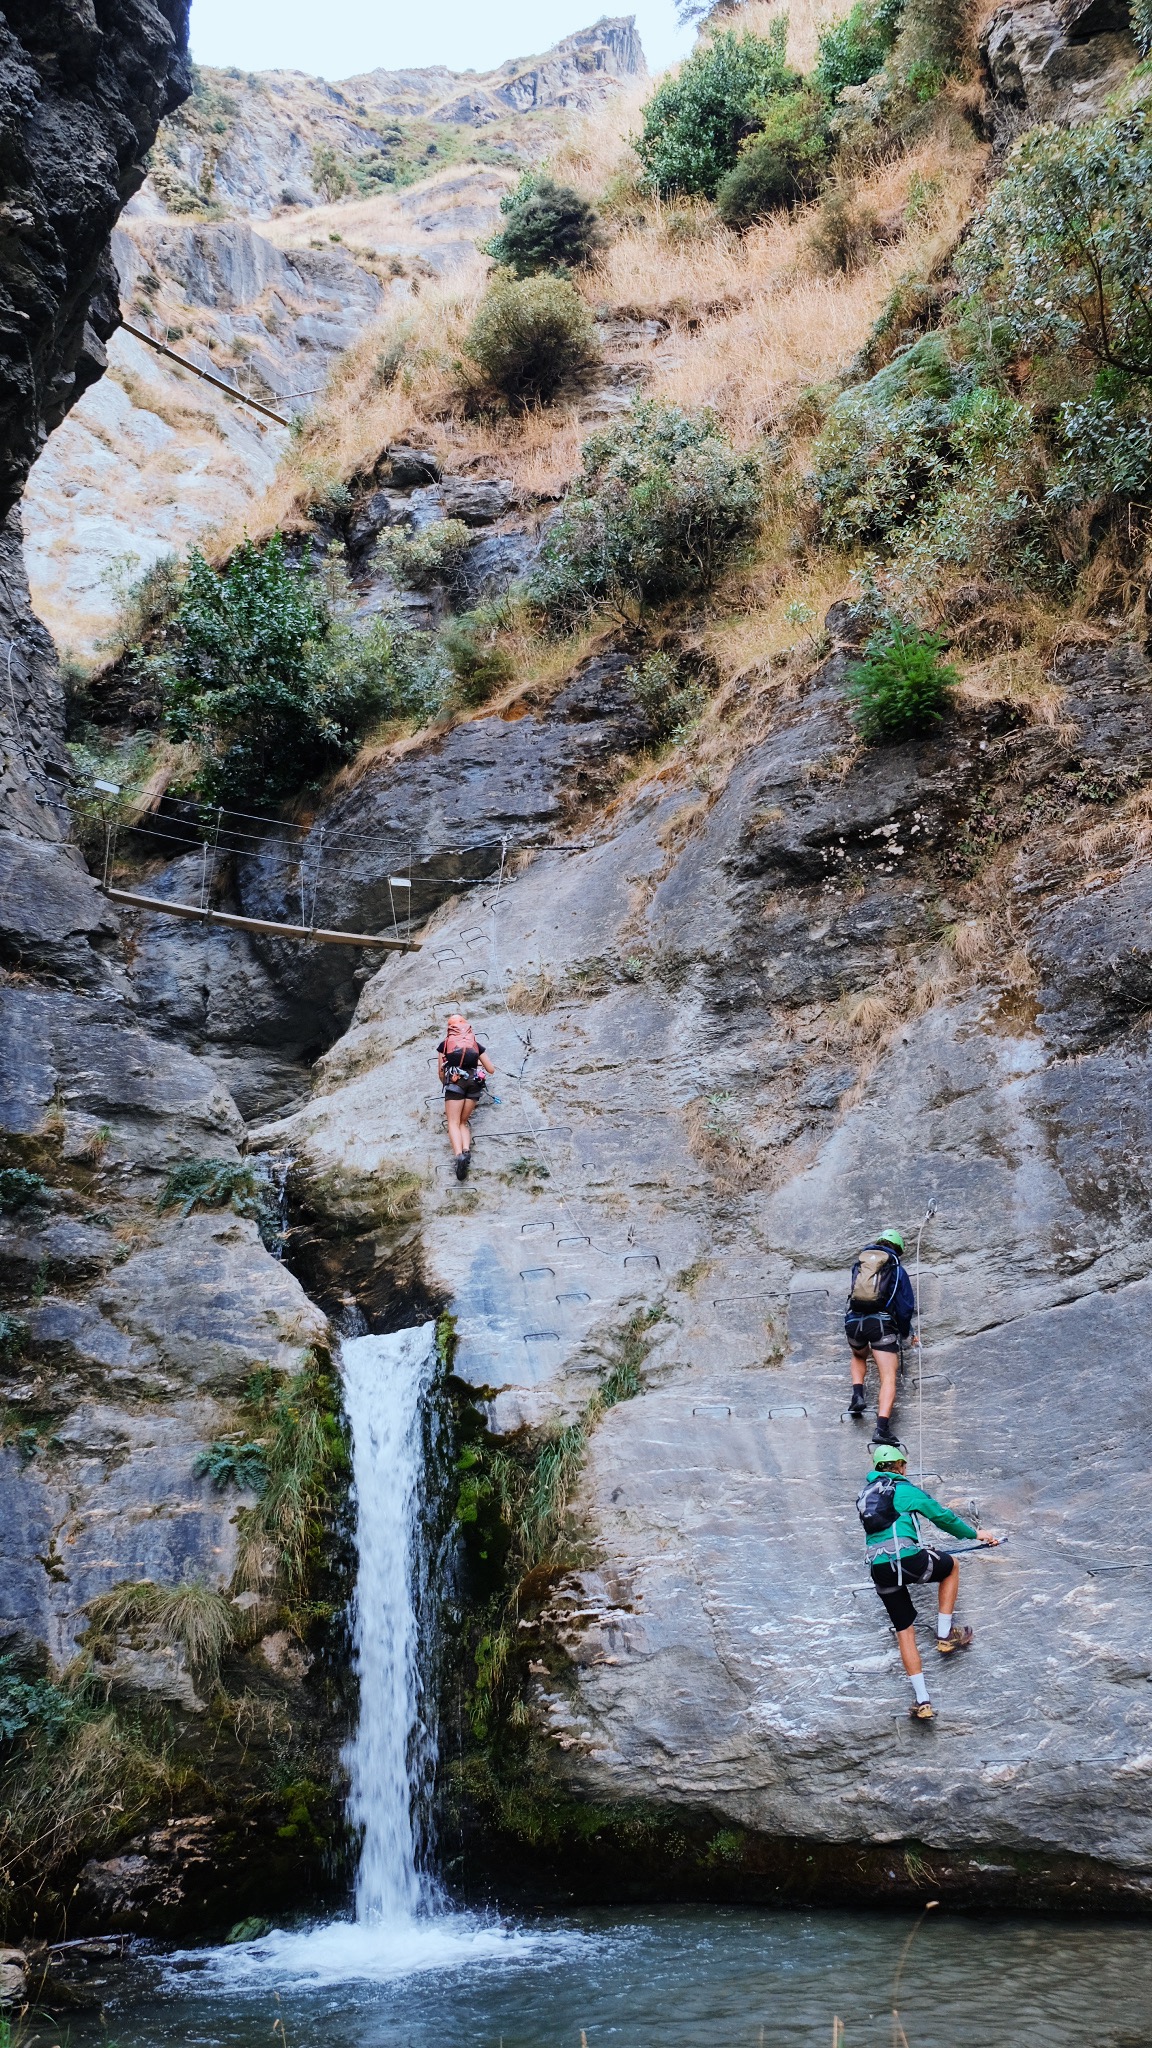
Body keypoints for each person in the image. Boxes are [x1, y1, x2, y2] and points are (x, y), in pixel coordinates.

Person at [860, 1440, 1000, 1722]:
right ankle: (945, 1635)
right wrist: (976, 1535)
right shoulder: (905, 1489)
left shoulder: (865, 1494)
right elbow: (942, 1516)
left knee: (905, 1631)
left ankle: (922, 1701)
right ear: (900, 1466)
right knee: (951, 1566)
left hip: (879, 1567)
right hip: (907, 1560)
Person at [845, 1226, 916, 1447]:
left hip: (854, 1322)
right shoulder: (896, 1269)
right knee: (888, 1376)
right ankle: (882, 1429)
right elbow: (904, 1307)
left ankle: (858, 1395)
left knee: (858, 1355)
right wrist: (906, 1332)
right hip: (881, 1325)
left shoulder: (861, 1264)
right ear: (898, 1249)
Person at [437, 1014, 494, 1180]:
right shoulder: (474, 1043)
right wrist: (476, 1063)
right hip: (474, 1083)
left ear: (449, 1028)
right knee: (463, 1121)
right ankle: (467, 1150)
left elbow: (441, 1072)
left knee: (453, 1122)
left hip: (455, 1083)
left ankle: (459, 1155)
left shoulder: (446, 1044)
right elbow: (490, 1069)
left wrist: (446, 1082)